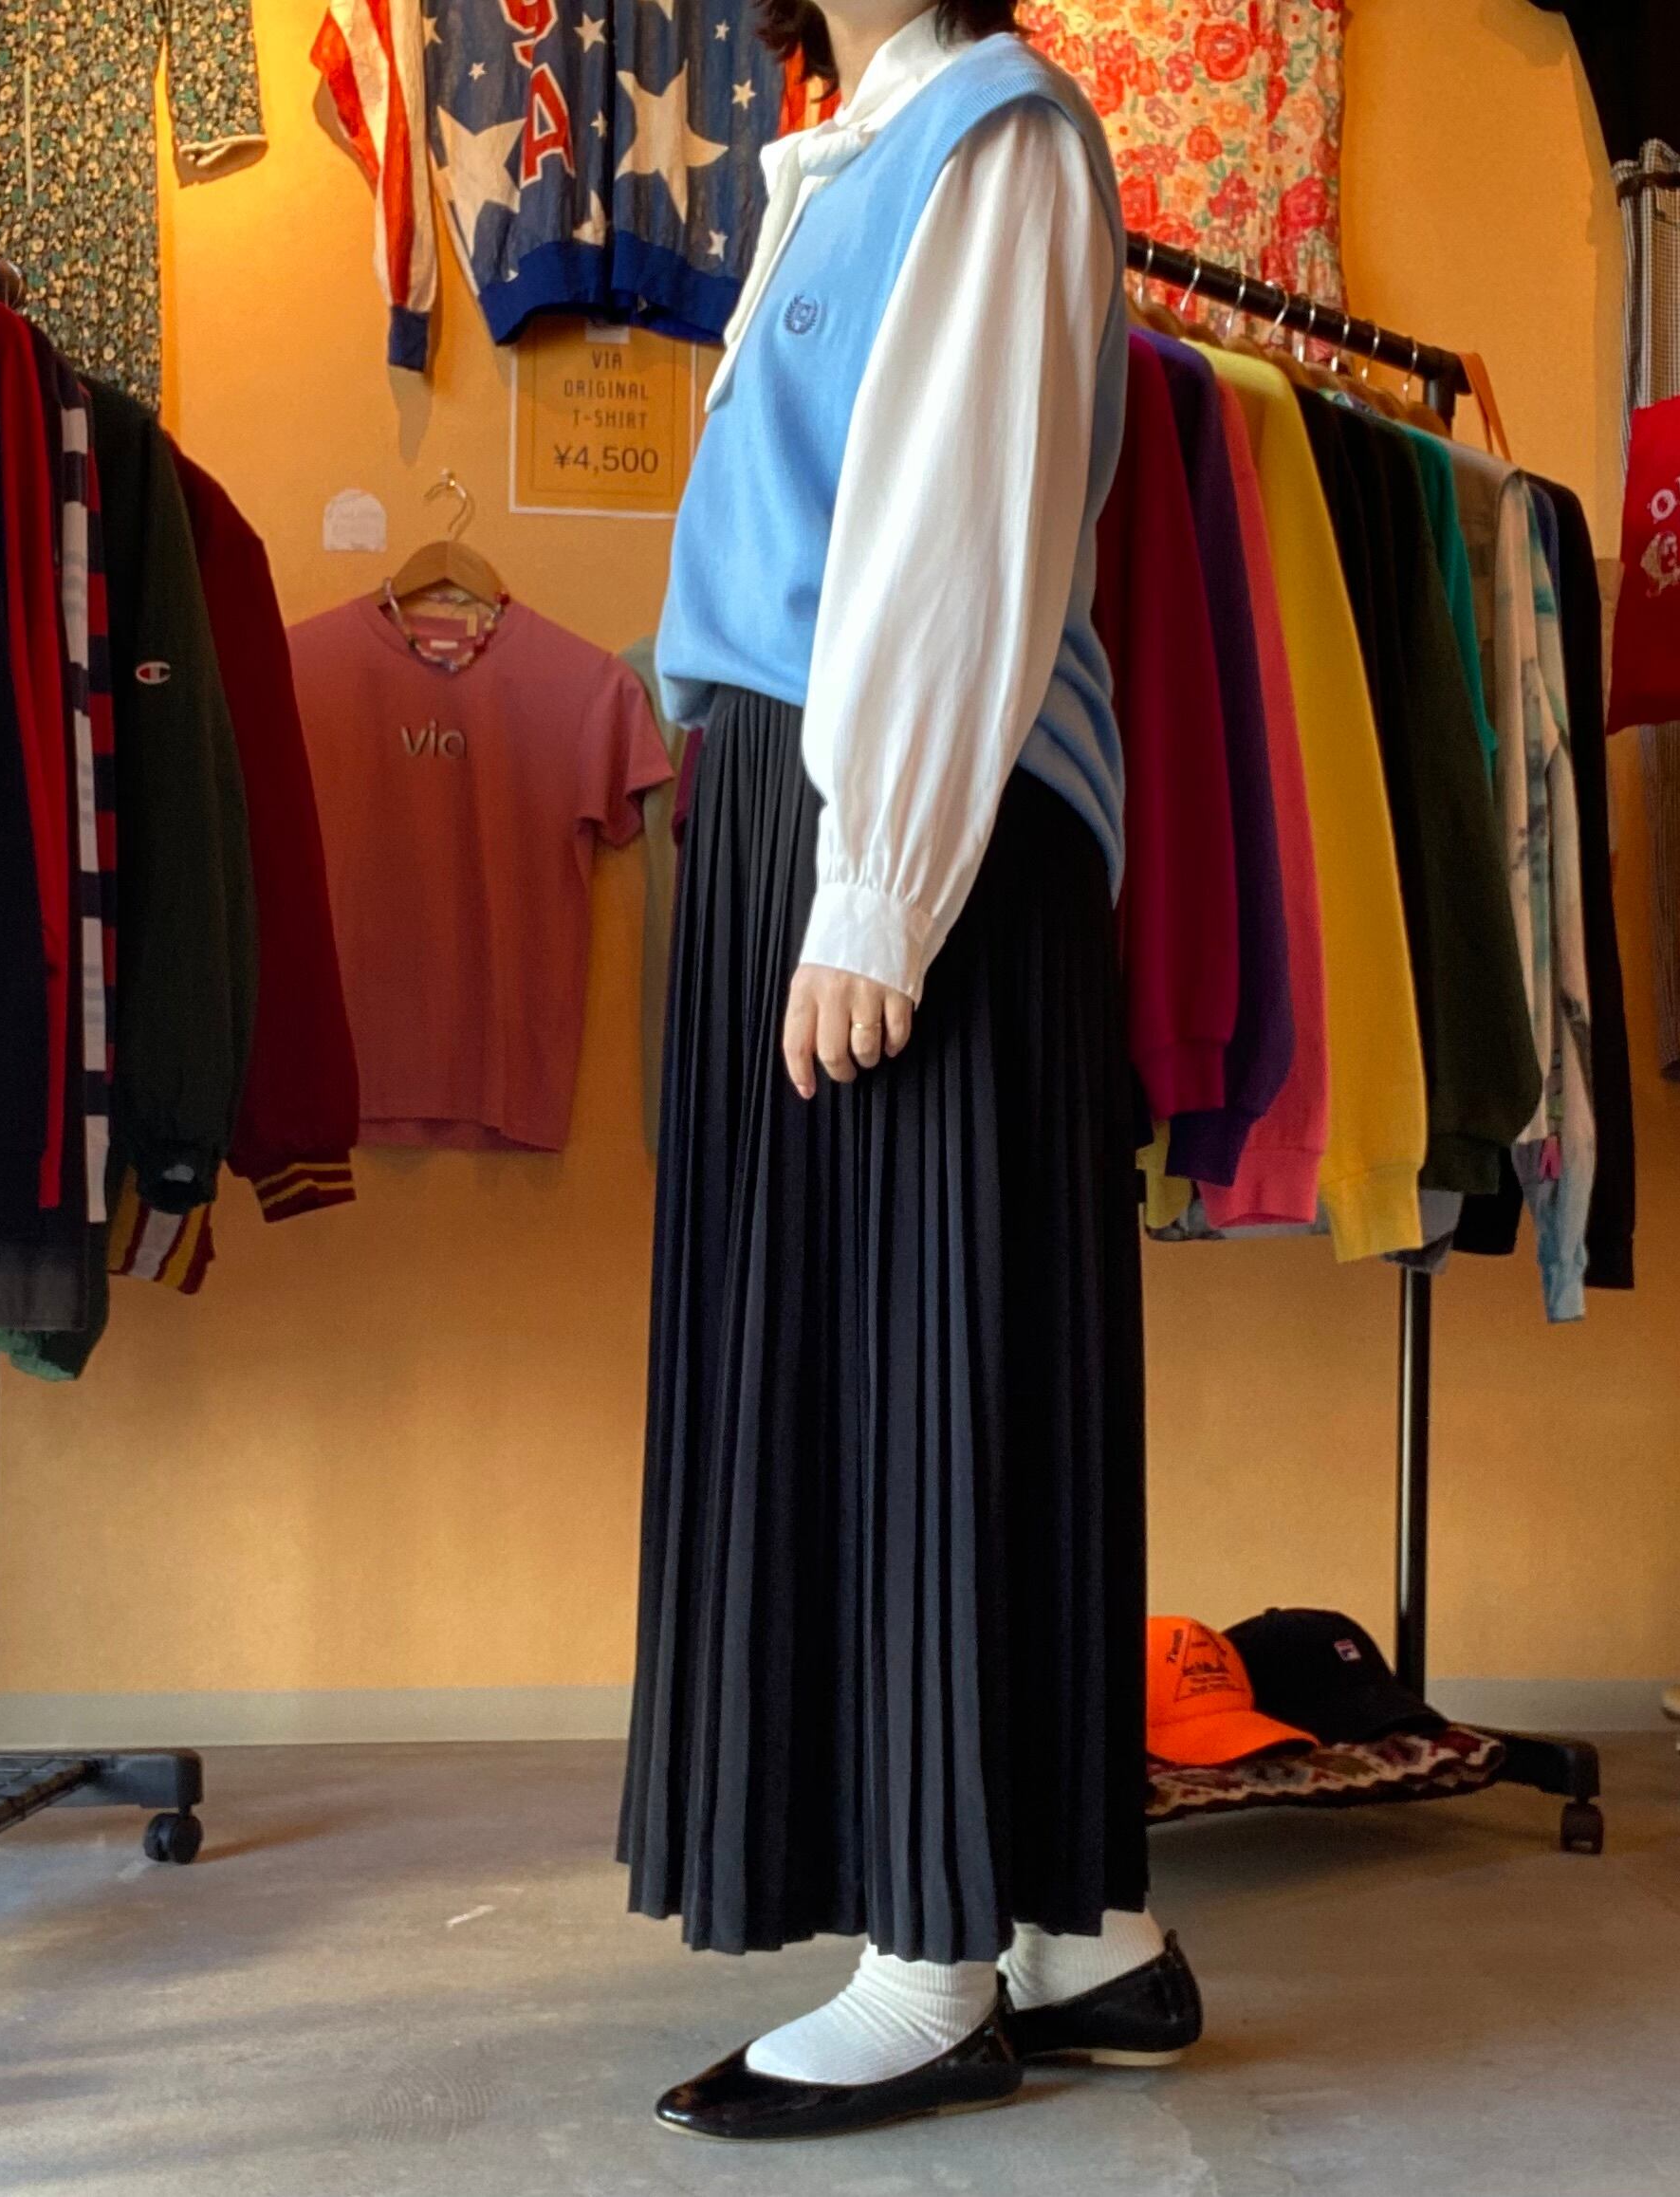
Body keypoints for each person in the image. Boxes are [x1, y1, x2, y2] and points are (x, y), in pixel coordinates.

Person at [621, 0, 1201, 2140]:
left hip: (905, 815)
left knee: (923, 1367)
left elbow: (957, 528)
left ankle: (936, 1972)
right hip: (820, 792)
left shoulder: (998, 134)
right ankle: (1079, 1939)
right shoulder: (847, 152)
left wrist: (874, 887)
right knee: (909, 1352)